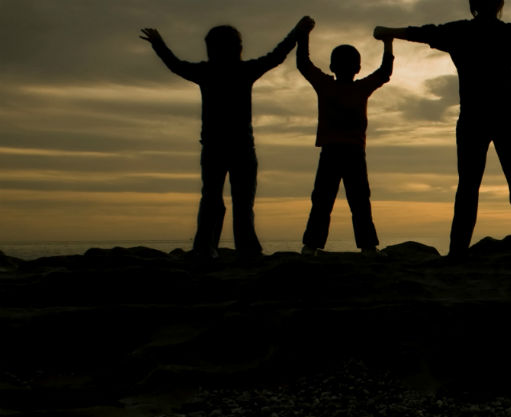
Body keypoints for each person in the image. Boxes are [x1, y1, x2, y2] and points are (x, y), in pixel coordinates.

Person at [373, 0, 511, 256]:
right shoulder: (507, 32)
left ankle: (458, 249)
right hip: (504, 112)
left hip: (473, 115)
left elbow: (421, 32)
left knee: (469, 186)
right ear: (499, 5)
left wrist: (388, 31)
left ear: (473, 5)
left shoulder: (459, 32)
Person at [139, 18, 309, 258]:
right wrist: (297, 32)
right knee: (240, 202)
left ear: (211, 48)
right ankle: (244, 249)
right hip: (239, 147)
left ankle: (206, 247)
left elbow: (175, 65)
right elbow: (276, 56)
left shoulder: (207, 72)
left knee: (212, 199)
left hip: (215, 147)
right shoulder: (242, 70)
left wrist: (158, 43)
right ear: (238, 48)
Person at [295, 17, 395, 257]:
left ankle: (312, 246)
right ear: (358, 68)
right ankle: (367, 247)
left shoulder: (327, 84)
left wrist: (304, 34)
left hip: (334, 151)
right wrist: (388, 43)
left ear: (332, 66)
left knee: (325, 200)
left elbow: (303, 64)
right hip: (349, 152)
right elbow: (384, 72)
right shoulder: (358, 87)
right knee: (356, 200)